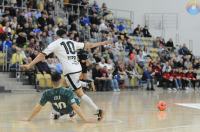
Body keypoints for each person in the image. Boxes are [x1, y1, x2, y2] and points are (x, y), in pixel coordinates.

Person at [21, 29, 112, 120]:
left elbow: (42, 55)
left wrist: (30, 65)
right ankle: (80, 91)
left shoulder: (56, 43)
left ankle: (97, 110)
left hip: (70, 71)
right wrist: (102, 43)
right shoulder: (71, 42)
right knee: (66, 85)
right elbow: (89, 45)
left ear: (56, 36)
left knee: (79, 93)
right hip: (77, 68)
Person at [22, 72, 97, 123]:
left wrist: (29, 119)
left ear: (51, 81)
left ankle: (57, 113)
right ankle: (71, 113)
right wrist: (85, 119)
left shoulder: (47, 93)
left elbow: (38, 107)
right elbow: (76, 107)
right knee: (76, 99)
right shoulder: (68, 91)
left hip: (57, 109)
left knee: (54, 104)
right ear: (61, 80)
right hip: (69, 109)